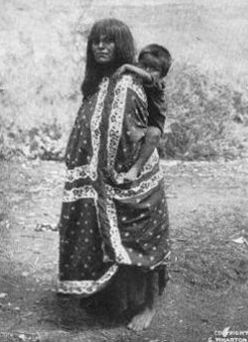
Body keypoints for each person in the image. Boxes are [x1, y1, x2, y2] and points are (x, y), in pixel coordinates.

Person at [57, 18, 170, 332]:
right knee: (100, 234)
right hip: (100, 180)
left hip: (136, 179)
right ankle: (110, 296)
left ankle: (148, 305)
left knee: (140, 237)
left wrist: (130, 170)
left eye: (108, 41)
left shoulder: (136, 79)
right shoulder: (96, 85)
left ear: (121, 46)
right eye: (96, 41)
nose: (101, 47)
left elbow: (153, 125)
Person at [114, 44, 172, 182]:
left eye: (154, 69)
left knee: (154, 134)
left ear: (162, 75)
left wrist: (128, 67)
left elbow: (149, 78)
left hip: (153, 121)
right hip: (137, 118)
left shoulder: (158, 83)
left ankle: (136, 168)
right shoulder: (134, 78)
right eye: (144, 65)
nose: (147, 70)